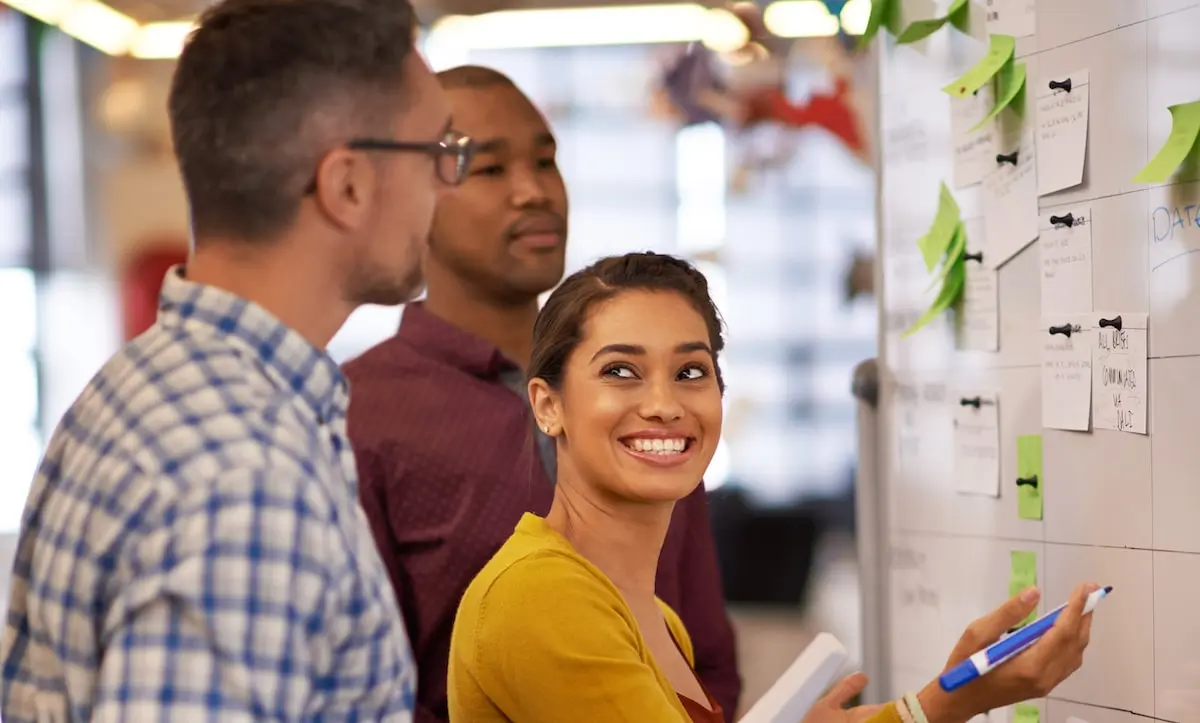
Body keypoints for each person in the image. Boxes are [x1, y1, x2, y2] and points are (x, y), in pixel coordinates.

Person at [0, 0, 469, 718]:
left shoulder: (141, 384)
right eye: (438, 151)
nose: (450, 182)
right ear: (347, 185)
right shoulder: (245, 481)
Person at [447, 252, 1097, 723]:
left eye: (691, 371)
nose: (664, 404)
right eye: (621, 370)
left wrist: (953, 695)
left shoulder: (650, 613)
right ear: (548, 404)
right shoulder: (541, 594)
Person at [343, 65, 741, 722]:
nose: (534, 191)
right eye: (490, 169)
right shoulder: (358, 414)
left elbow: (707, 656)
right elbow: (363, 696)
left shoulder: (644, 403)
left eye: (546, 161)